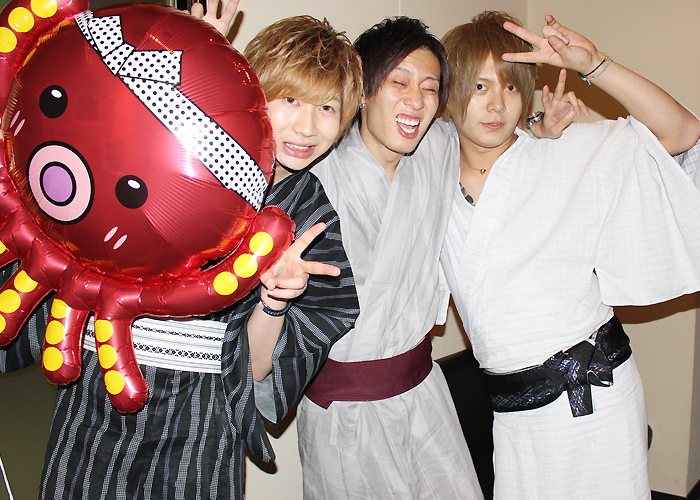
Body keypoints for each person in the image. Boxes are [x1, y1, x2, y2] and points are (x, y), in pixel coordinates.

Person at [0, 6, 362, 499]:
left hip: (203, 420)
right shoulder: (163, 144)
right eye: (291, 99)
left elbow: (258, 371)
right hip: (99, 389)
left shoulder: (309, 211)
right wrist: (190, 75)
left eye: (328, 109)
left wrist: (275, 301)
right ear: (255, 90)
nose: (307, 127)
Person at [438, 11, 700, 500]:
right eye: (478, 87)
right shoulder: (428, 177)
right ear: (448, 93)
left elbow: (682, 133)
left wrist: (594, 63)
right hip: (515, 414)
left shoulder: (565, 151)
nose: (496, 104)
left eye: (510, 87)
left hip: (598, 393)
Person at [296, 16, 484, 499]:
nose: (416, 101)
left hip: (423, 395)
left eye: (430, 88)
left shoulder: (438, 149)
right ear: (361, 91)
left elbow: (491, 142)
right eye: (399, 82)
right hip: (343, 414)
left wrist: (540, 127)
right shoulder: (314, 173)